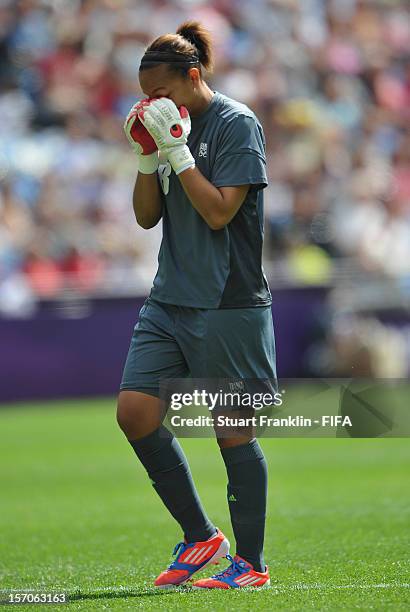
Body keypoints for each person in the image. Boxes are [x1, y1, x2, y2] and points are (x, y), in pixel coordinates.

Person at [117, 20, 276, 590]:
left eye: (160, 92)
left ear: (193, 75)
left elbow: (218, 213)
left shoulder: (236, 124)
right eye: (144, 94)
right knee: (135, 414)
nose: (150, 103)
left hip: (228, 300)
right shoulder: (166, 125)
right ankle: (199, 535)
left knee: (231, 429)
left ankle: (251, 566)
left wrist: (178, 151)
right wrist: (146, 156)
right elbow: (145, 217)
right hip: (170, 296)